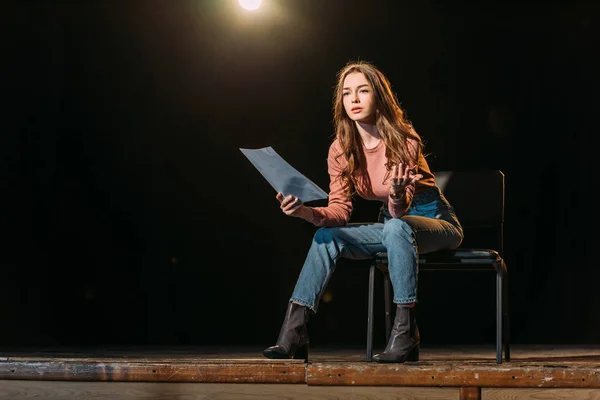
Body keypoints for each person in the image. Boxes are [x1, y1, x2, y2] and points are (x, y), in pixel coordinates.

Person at [262, 60, 464, 363]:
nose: (354, 99)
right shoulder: (340, 149)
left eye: (363, 91)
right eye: (347, 93)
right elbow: (340, 211)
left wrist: (396, 192)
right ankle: (295, 330)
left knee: (396, 227)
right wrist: (303, 212)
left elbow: (400, 212)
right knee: (326, 236)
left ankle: (405, 331)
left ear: (378, 96)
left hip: (435, 221)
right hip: (393, 226)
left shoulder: (403, 138)